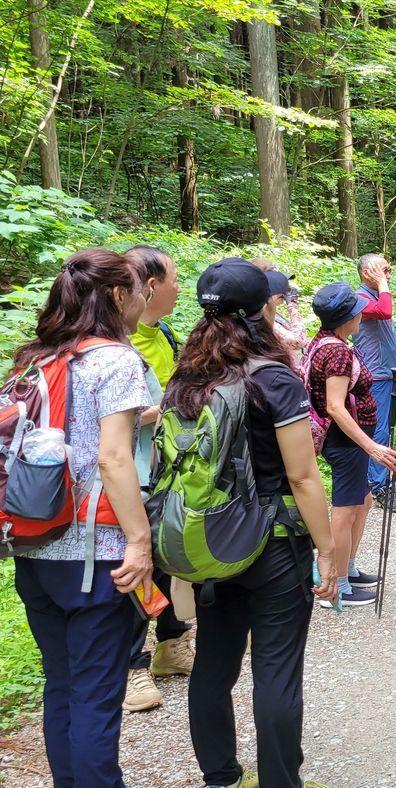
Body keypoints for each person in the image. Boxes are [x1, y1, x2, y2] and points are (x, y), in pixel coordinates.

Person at [167, 257, 339, 788]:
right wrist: (328, 549)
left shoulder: (189, 375)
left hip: (212, 541)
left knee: (214, 666)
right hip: (275, 545)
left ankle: (221, 776)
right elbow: (304, 476)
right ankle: (280, 781)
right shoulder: (272, 377)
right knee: (277, 671)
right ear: (262, 307)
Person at [10, 248, 155, 787]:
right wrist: (139, 542)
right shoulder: (115, 359)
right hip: (96, 556)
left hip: (34, 546)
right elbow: (114, 458)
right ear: (117, 295)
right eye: (139, 289)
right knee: (96, 694)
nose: (143, 298)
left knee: (63, 686)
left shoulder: (35, 358)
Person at [122, 245, 194, 714]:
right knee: (135, 564)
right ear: (150, 286)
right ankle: (132, 666)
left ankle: (170, 644)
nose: (179, 287)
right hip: (130, 473)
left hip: (164, 468)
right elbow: (123, 415)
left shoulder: (161, 330)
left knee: (164, 557)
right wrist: (173, 404)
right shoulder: (121, 341)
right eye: (173, 278)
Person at [308, 281, 396, 608]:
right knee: (346, 510)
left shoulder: (331, 342)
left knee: (361, 501)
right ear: (347, 317)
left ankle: (346, 567)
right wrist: (372, 446)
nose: (362, 312)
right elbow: (334, 406)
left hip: (352, 441)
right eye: (356, 310)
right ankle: (337, 584)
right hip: (345, 441)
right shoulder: (335, 351)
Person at [353, 253, 396, 513]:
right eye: (383, 270)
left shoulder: (374, 296)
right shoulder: (360, 299)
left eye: (389, 270)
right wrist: (383, 285)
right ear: (367, 273)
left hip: (387, 374)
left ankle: (379, 480)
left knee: (382, 429)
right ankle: (378, 486)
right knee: (378, 431)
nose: (388, 275)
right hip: (375, 376)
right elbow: (385, 311)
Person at [267, 269, 310, 363]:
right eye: (282, 286)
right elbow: (298, 341)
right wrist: (293, 307)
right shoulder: (266, 319)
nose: (288, 290)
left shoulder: (274, 314)